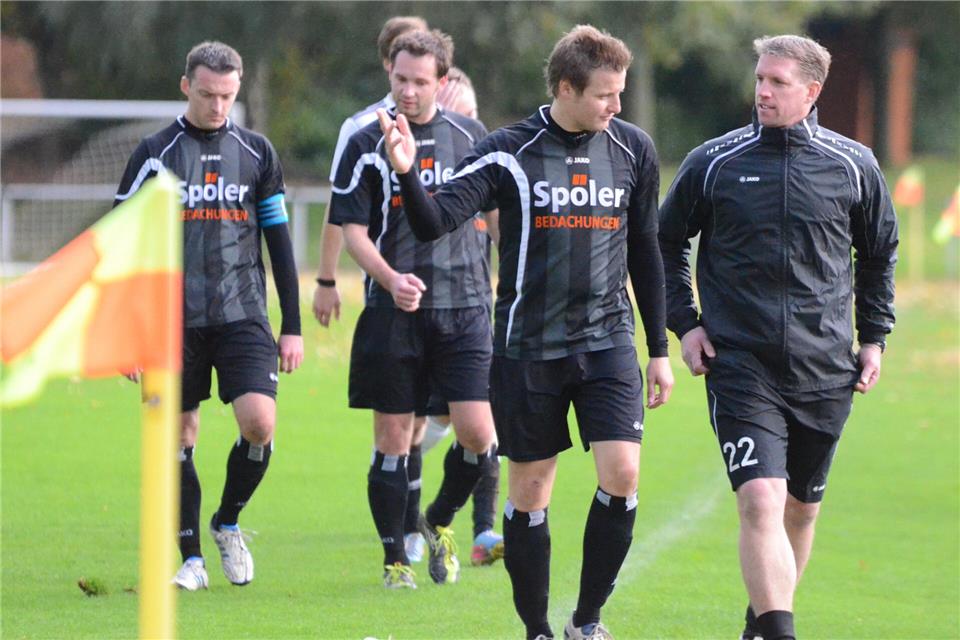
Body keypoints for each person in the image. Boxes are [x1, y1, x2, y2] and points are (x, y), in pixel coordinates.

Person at [378, 24, 674, 640]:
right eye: (605, 95)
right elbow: (433, 221)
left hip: (607, 339)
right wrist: (407, 170)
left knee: (622, 475)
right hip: (527, 349)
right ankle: (538, 628)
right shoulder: (509, 151)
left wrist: (658, 349)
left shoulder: (633, 150)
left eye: (620, 95)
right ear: (567, 87)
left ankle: (587, 621)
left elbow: (646, 249)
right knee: (532, 490)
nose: (616, 106)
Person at [658, 35, 898, 640]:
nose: (762, 91)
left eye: (778, 82)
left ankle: (758, 622)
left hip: (825, 369)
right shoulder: (713, 162)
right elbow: (662, 245)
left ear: (811, 92)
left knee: (801, 509)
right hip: (741, 366)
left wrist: (874, 338)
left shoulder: (854, 165)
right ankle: (781, 633)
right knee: (761, 500)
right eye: (760, 79)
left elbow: (878, 256)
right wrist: (685, 324)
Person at [311, 17, 504, 568]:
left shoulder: (472, 138)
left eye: (420, 81)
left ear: (441, 81)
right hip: (392, 311)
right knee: (394, 438)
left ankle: (438, 518)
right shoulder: (365, 140)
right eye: (400, 79)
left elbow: (496, 214)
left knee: (477, 434)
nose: (408, 91)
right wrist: (390, 279)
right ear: (390, 75)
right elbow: (351, 228)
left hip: (465, 308)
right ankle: (396, 559)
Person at [114, 41, 303, 591]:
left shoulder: (258, 152)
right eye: (206, 94)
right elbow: (121, 246)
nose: (217, 106)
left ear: (237, 89)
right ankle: (191, 559)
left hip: (243, 314)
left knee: (259, 424)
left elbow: (280, 242)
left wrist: (290, 325)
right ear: (185, 86)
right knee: (179, 433)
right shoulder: (155, 153)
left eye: (227, 95)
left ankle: (228, 521)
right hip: (170, 319)